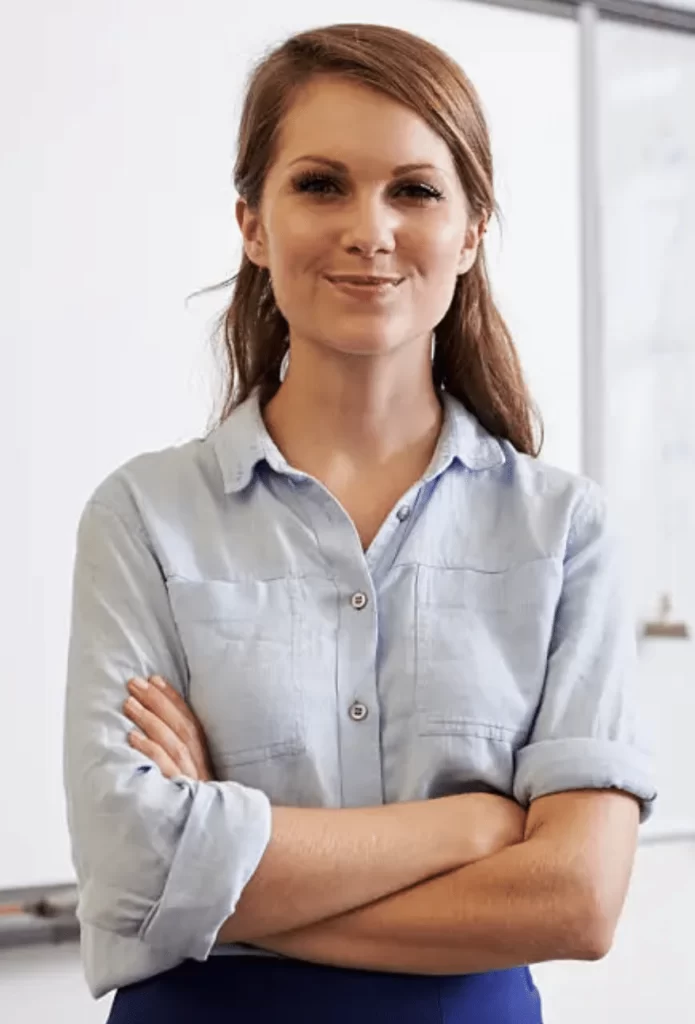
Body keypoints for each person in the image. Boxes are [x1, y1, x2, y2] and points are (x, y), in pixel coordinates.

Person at [63, 22, 656, 1024]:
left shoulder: (563, 531)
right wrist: (472, 826)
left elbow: (576, 897)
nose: (368, 229)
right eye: (320, 184)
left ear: (470, 231)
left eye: (414, 190)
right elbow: (129, 861)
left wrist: (204, 893)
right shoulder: (143, 516)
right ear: (252, 222)